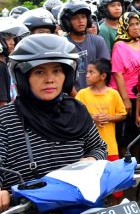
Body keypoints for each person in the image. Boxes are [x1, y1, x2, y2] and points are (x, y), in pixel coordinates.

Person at [0, 35, 107, 207]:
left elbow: (98, 146)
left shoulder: (77, 111)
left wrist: (92, 159)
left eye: (57, 71)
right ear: (23, 77)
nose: (50, 79)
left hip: (79, 206)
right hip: (26, 208)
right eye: (39, 71)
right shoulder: (6, 119)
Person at [75, 58, 126, 200]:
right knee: (92, 185)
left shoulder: (113, 94)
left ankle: (114, 206)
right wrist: (92, 118)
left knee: (114, 184)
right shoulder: (82, 94)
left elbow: (122, 115)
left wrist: (108, 118)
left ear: (103, 76)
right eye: (87, 72)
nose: (87, 75)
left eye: (91, 72)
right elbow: (75, 116)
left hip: (110, 146)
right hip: (89, 150)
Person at [109, 13, 140, 157]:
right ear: (124, 26)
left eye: (137, 24)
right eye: (131, 24)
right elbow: (117, 73)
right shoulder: (119, 45)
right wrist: (125, 100)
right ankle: (126, 165)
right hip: (126, 95)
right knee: (125, 135)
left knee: (139, 132)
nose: (136, 27)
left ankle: (137, 164)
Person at [59, 0, 110, 94]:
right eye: (75, 18)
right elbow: (62, 75)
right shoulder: (62, 44)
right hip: (72, 97)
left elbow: (104, 71)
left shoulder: (98, 41)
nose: (81, 21)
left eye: (83, 17)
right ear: (67, 22)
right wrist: (78, 98)